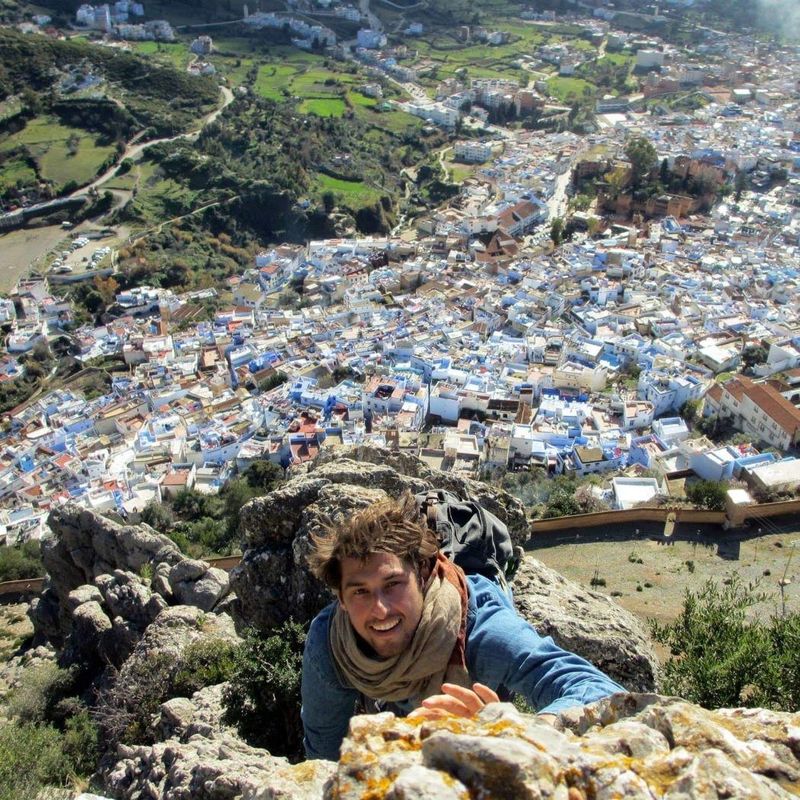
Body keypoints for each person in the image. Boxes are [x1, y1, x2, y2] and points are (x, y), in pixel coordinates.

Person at [301, 493, 625, 761]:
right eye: (360, 591)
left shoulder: (483, 634)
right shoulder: (332, 646)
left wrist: (509, 730)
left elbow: (599, 692)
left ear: (423, 575)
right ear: (340, 600)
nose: (380, 609)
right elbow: (325, 758)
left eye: (393, 584)